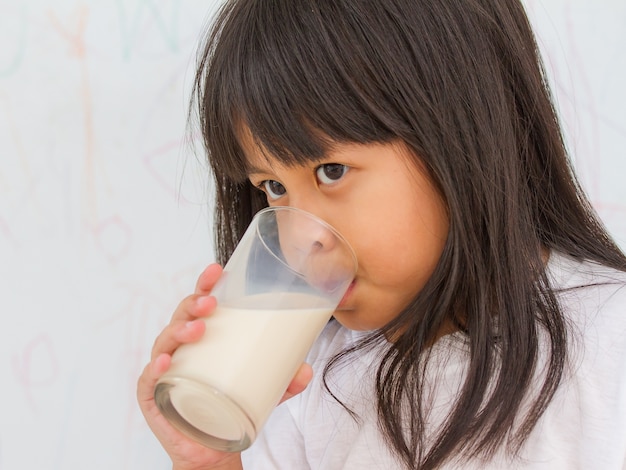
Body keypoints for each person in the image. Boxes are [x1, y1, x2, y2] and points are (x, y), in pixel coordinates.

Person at [137, 0, 626, 468]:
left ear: (458, 134)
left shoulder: (608, 346)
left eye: (331, 171)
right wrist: (210, 463)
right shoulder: (308, 372)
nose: (300, 239)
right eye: (273, 186)